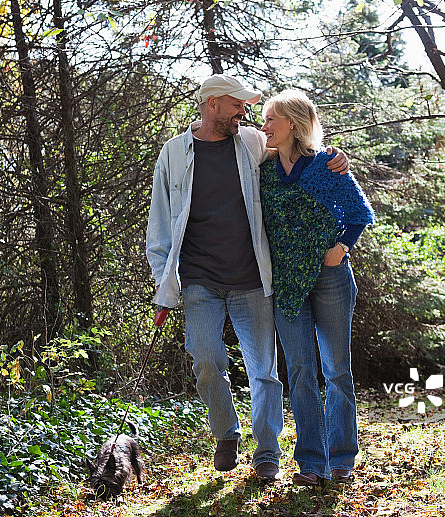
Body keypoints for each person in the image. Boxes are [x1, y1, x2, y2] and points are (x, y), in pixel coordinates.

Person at [146, 75, 348, 482]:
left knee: (264, 371)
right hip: (200, 279)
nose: (244, 111)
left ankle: (268, 452)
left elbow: (297, 153)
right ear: (213, 104)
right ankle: (226, 431)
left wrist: (333, 156)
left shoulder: (252, 142)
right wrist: (163, 289)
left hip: (253, 277)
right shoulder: (174, 153)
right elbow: (161, 225)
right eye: (237, 104)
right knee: (205, 360)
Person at [259, 89, 374, 486]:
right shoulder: (262, 169)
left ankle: (342, 458)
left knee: (336, 370)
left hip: (330, 277)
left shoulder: (326, 165)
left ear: (292, 123)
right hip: (286, 282)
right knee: (300, 371)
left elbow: (358, 213)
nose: (264, 126)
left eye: (270, 119)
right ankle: (311, 463)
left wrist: (341, 248)